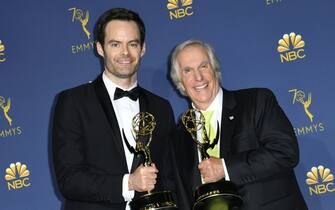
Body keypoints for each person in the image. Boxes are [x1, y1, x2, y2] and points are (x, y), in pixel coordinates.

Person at [52, 8, 176, 210]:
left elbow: (170, 178)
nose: (125, 53)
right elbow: (69, 179)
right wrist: (128, 183)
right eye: (115, 44)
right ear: (100, 48)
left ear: (143, 48)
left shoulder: (161, 108)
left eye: (132, 44)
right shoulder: (73, 102)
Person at [169, 39, 308, 210]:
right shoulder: (179, 134)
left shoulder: (257, 101)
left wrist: (225, 168)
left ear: (215, 70)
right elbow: (184, 196)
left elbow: (286, 152)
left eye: (203, 66)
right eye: (187, 71)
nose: (198, 77)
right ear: (180, 82)